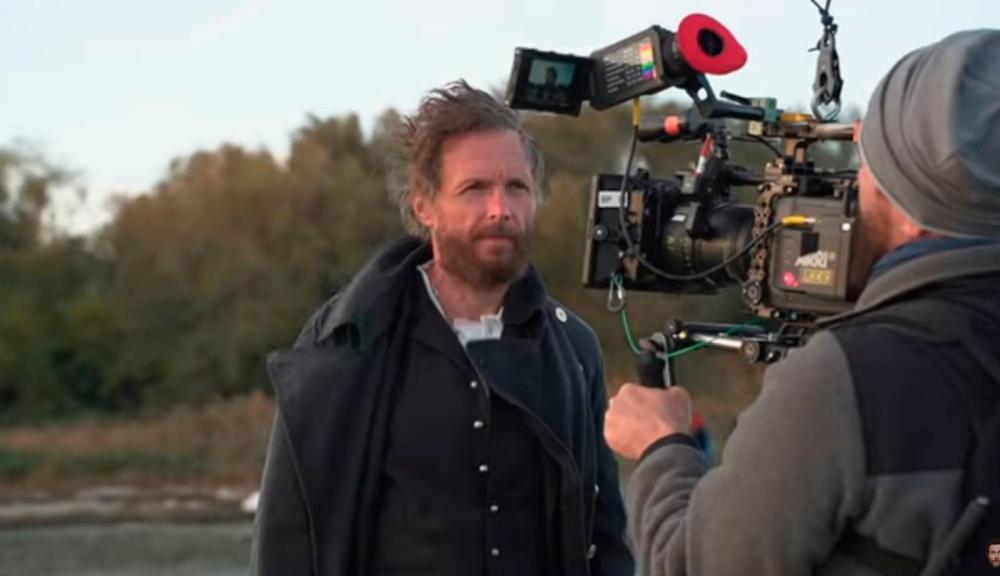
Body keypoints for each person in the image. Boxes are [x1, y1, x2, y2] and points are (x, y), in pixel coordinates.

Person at [604, 29, 1000, 575]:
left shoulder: (846, 379)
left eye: (869, 167)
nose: (856, 184)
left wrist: (662, 447)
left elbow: (693, 565)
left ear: (911, 207)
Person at [251, 80, 634, 576]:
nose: (500, 209)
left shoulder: (572, 350)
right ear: (424, 206)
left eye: (516, 187)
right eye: (475, 188)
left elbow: (604, 535)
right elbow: (289, 532)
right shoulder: (347, 339)